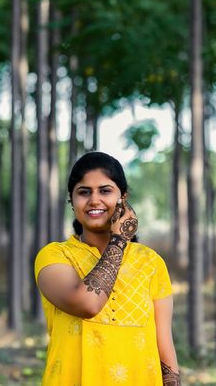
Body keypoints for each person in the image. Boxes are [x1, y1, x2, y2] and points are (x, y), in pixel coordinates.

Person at [34, 151, 180, 385]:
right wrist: (120, 240)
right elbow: (88, 303)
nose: (94, 200)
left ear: (123, 197)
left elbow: (164, 345)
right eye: (84, 192)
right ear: (72, 202)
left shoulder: (150, 262)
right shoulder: (55, 256)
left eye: (105, 190)